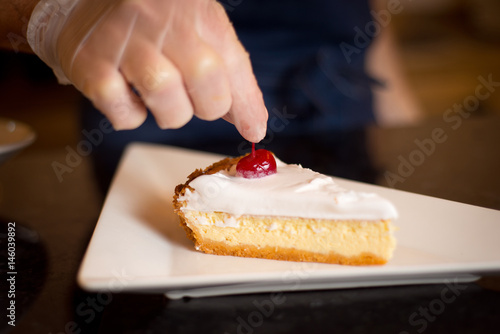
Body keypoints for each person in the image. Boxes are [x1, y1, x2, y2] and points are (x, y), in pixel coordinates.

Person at [0, 0, 420, 190]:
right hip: (152, 113)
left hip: (339, 105)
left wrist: (404, 117)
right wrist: (57, 13)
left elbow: (371, 20)